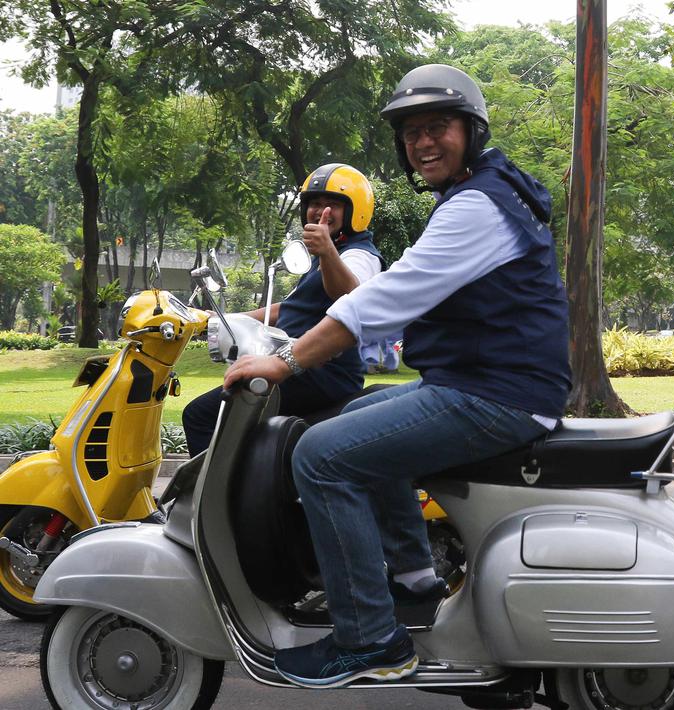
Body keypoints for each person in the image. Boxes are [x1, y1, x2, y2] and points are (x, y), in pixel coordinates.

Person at [222, 64, 571, 688]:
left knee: (321, 454)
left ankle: (369, 639)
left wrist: (287, 360)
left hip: (496, 394)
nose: (423, 143)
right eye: (411, 133)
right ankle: (413, 583)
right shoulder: (480, 194)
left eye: (438, 127)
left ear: (472, 129)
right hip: (485, 381)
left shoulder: (477, 207)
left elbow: (383, 303)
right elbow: (392, 291)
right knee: (353, 422)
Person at [181, 164, 383, 456]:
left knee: (200, 416)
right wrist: (218, 319)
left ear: (356, 211)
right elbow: (287, 308)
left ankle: (216, 500)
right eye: (314, 203)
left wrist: (327, 252)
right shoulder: (324, 258)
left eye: (333, 204)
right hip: (302, 368)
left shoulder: (359, 254)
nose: (320, 211)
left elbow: (350, 296)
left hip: (321, 373)